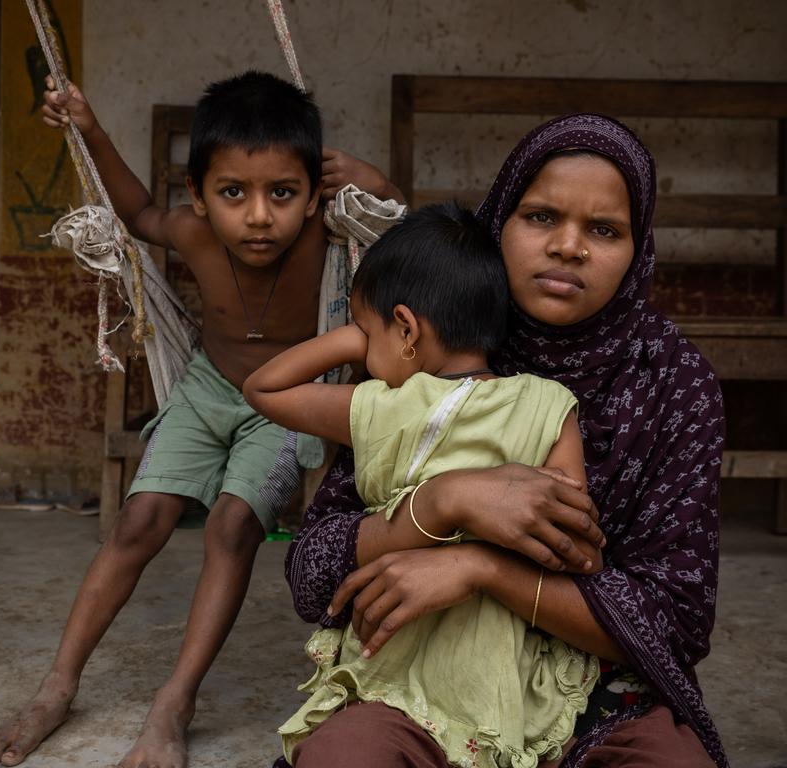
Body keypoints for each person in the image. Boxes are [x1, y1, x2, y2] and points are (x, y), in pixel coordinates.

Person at [277, 114, 726, 767]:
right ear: (498, 224)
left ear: (639, 251)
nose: (569, 247)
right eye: (541, 217)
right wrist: (443, 503)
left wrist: (480, 569)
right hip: (422, 684)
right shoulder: (423, 349)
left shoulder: (676, 386)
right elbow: (312, 574)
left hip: (600, 698)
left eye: (604, 230)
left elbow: (673, 621)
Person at [0, 70, 399, 768]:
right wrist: (87, 127)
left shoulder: (332, 236)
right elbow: (139, 212)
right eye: (233, 193)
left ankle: (175, 701)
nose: (259, 216)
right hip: (203, 388)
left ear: (315, 195)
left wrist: (376, 182)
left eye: (282, 193)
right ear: (201, 197)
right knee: (138, 523)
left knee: (233, 529)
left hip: (288, 400)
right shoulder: (192, 233)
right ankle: (57, 686)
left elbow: (401, 228)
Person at [244, 201, 601, 767]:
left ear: (406, 328)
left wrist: (352, 340)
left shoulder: (386, 408)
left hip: (397, 650)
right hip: (504, 664)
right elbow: (575, 541)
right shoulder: (549, 404)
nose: (363, 352)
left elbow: (264, 389)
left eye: (368, 329)